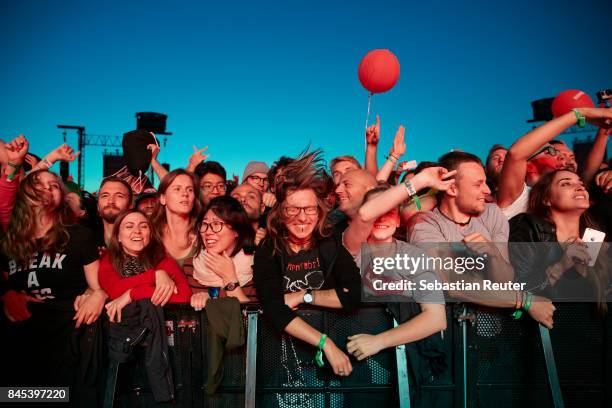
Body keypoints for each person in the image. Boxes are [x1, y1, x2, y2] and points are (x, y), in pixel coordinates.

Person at [253, 151, 361, 377]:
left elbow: (353, 295)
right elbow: (274, 308)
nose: (303, 218)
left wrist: (305, 295)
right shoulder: (268, 249)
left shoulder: (328, 245)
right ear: (281, 212)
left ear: (319, 211)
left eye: (309, 209)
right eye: (293, 209)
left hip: (328, 367)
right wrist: (325, 343)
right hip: (282, 360)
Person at [0, 170, 106, 397]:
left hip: (64, 343)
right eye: (39, 184)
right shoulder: (9, 240)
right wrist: (6, 293)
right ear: (25, 195)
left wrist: (97, 293)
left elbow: (99, 285)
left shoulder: (79, 235)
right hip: (19, 346)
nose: (49, 188)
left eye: (55, 185)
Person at [341, 166, 455, 360]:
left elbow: (436, 319)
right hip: (353, 348)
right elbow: (365, 215)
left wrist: (379, 341)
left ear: (399, 220)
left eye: (390, 211)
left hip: (400, 357)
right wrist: (421, 181)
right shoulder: (352, 246)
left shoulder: (414, 256)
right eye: (378, 209)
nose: (382, 217)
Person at [509, 170, 609, 308]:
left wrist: (604, 269)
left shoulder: (595, 239)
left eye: (581, 184)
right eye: (566, 184)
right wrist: (560, 266)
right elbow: (514, 290)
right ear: (546, 199)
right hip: (542, 328)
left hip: (590, 327)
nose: (580, 187)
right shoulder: (529, 226)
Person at [497, 107, 612, 219]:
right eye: (551, 152)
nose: (562, 157)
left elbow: (588, 172)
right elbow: (516, 154)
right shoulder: (519, 197)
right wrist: (580, 113)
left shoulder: (569, 194)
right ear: (528, 165)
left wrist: (604, 130)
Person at [98, 209, 192, 322]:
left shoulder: (164, 261)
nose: (137, 231)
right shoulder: (109, 260)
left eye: (143, 226)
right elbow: (115, 290)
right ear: (118, 236)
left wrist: (131, 294)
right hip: (124, 332)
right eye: (129, 226)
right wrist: (155, 276)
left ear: (151, 234)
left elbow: (184, 296)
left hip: (160, 329)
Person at [189, 196, 257, 311]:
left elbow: (254, 320)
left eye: (216, 224)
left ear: (236, 230)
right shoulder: (190, 266)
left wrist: (230, 278)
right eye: (204, 224)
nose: (208, 231)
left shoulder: (256, 265)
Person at [150, 169, 202, 264]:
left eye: (190, 190)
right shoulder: (150, 234)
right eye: (177, 189)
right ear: (163, 198)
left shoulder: (203, 233)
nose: (185, 194)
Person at [97, 176, 133, 247]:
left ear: (130, 206)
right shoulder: (84, 240)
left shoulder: (141, 241)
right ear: (98, 205)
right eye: (105, 196)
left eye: (119, 196)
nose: (111, 201)